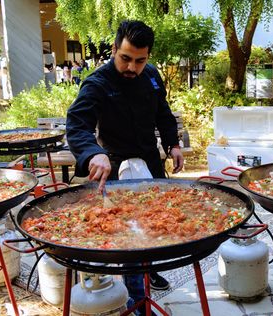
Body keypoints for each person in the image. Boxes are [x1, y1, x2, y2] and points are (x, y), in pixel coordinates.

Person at [66, 20, 184, 313]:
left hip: (151, 163)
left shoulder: (153, 76)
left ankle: (149, 268)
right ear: (114, 49)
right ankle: (138, 303)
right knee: (131, 235)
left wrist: (173, 144)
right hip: (116, 167)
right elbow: (77, 124)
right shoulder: (97, 83)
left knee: (157, 221)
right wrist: (93, 153)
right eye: (126, 58)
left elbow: (164, 116)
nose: (132, 67)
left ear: (148, 57)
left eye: (140, 61)